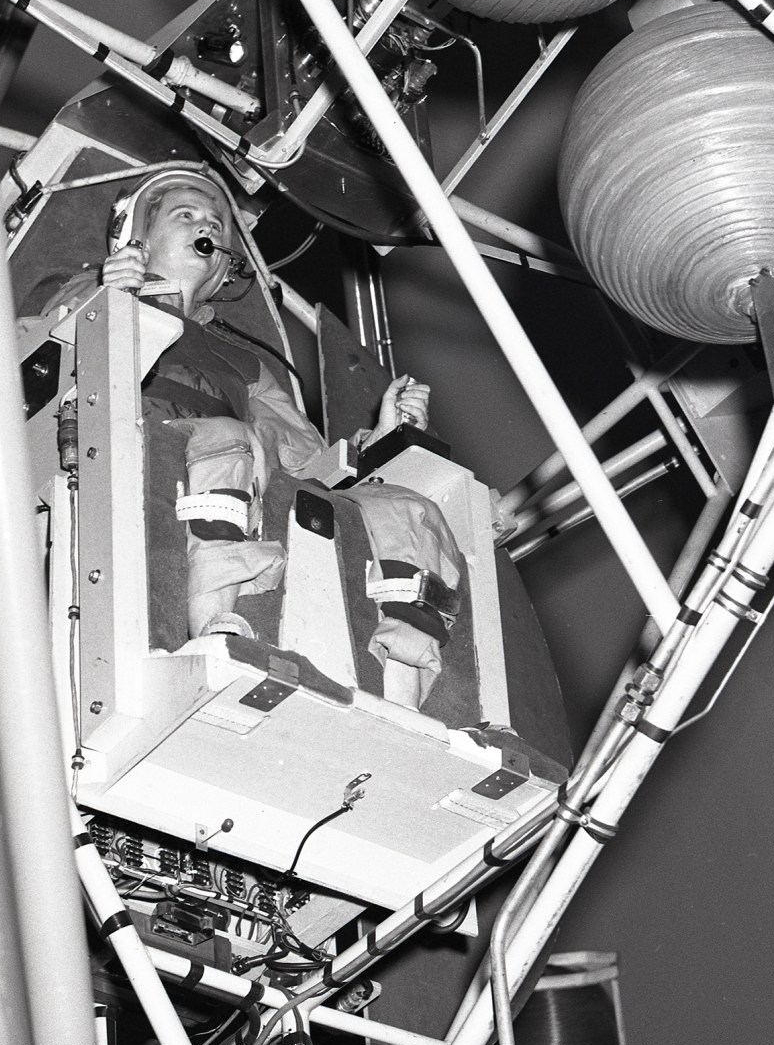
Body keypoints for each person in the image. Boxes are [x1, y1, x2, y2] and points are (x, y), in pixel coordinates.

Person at [25, 164, 462, 700]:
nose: (203, 226)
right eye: (184, 215)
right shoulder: (84, 289)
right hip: (131, 441)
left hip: (237, 455)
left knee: (408, 508)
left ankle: (402, 691)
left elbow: (306, 461)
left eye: (214, 222)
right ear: (134, 235)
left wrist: (379, 441)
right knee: (226, 436)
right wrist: (110, 298)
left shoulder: (246, 363)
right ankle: (213, 623)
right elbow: (37, 372)